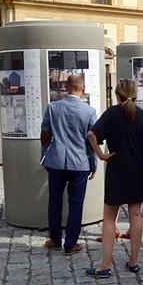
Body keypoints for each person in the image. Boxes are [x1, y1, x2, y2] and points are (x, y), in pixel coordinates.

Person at [84, 79, 143, 278]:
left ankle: (105, 265)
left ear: (117, 94)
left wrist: (101, 155)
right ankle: (133, 262)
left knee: (109, 217)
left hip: (117, 170)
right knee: (136, 215)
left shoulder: (112, 114)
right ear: (136, 94)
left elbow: (91, 134)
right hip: (139, 170)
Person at [40, 74, 97, 256]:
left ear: (66, 88)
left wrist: (44, 157)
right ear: (83, 89)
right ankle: (70, 244)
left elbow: (45, 135)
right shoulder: (89, 111)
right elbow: (92, 141)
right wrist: (93, 164)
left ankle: (55, 239)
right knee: (76, 204)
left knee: (54, 201)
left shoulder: (53, 108)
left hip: (56, 162)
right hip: (79, 163)